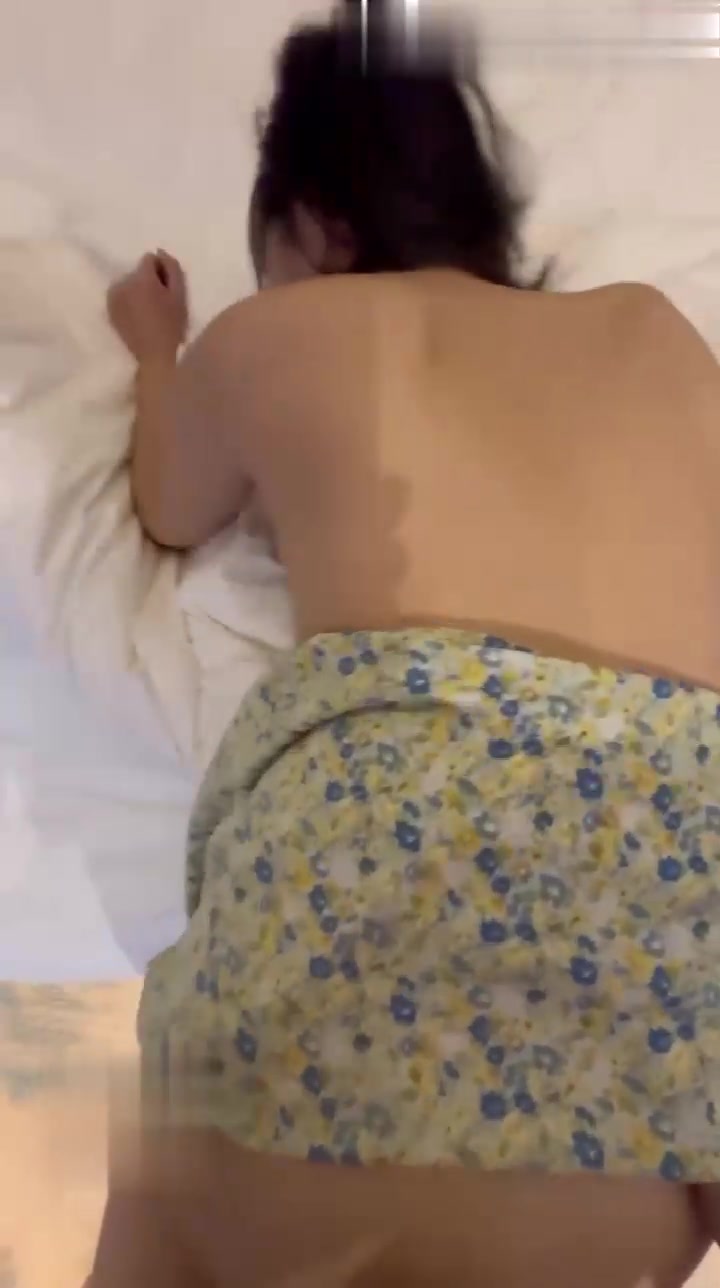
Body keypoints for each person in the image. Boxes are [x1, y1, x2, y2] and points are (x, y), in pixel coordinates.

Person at [94, 1, 720, 1284]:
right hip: (674, 880)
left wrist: (159, 352)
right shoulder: (655, 330)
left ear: (318, 223)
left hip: (372, 880)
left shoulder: (282, 330)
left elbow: (166, 504)